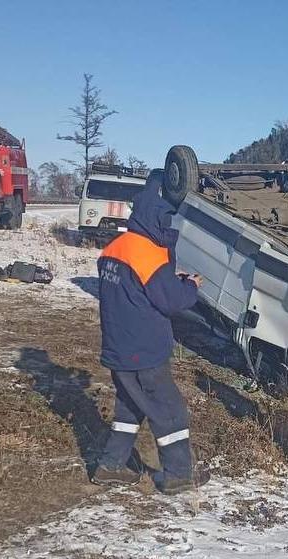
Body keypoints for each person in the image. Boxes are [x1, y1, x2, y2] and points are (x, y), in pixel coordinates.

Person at [91, 189, 205, 495]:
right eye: (166, 219)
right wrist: (190, 286)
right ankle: (178, 475)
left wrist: (167, 276)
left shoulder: (114, 249)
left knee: (129, 408)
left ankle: (110, 466)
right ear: (155, 217)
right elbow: (171, 301)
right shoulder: (148, 255)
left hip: (119, 347)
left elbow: (135, 290)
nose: (169, 226)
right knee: (170, 411)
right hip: (144, 351)